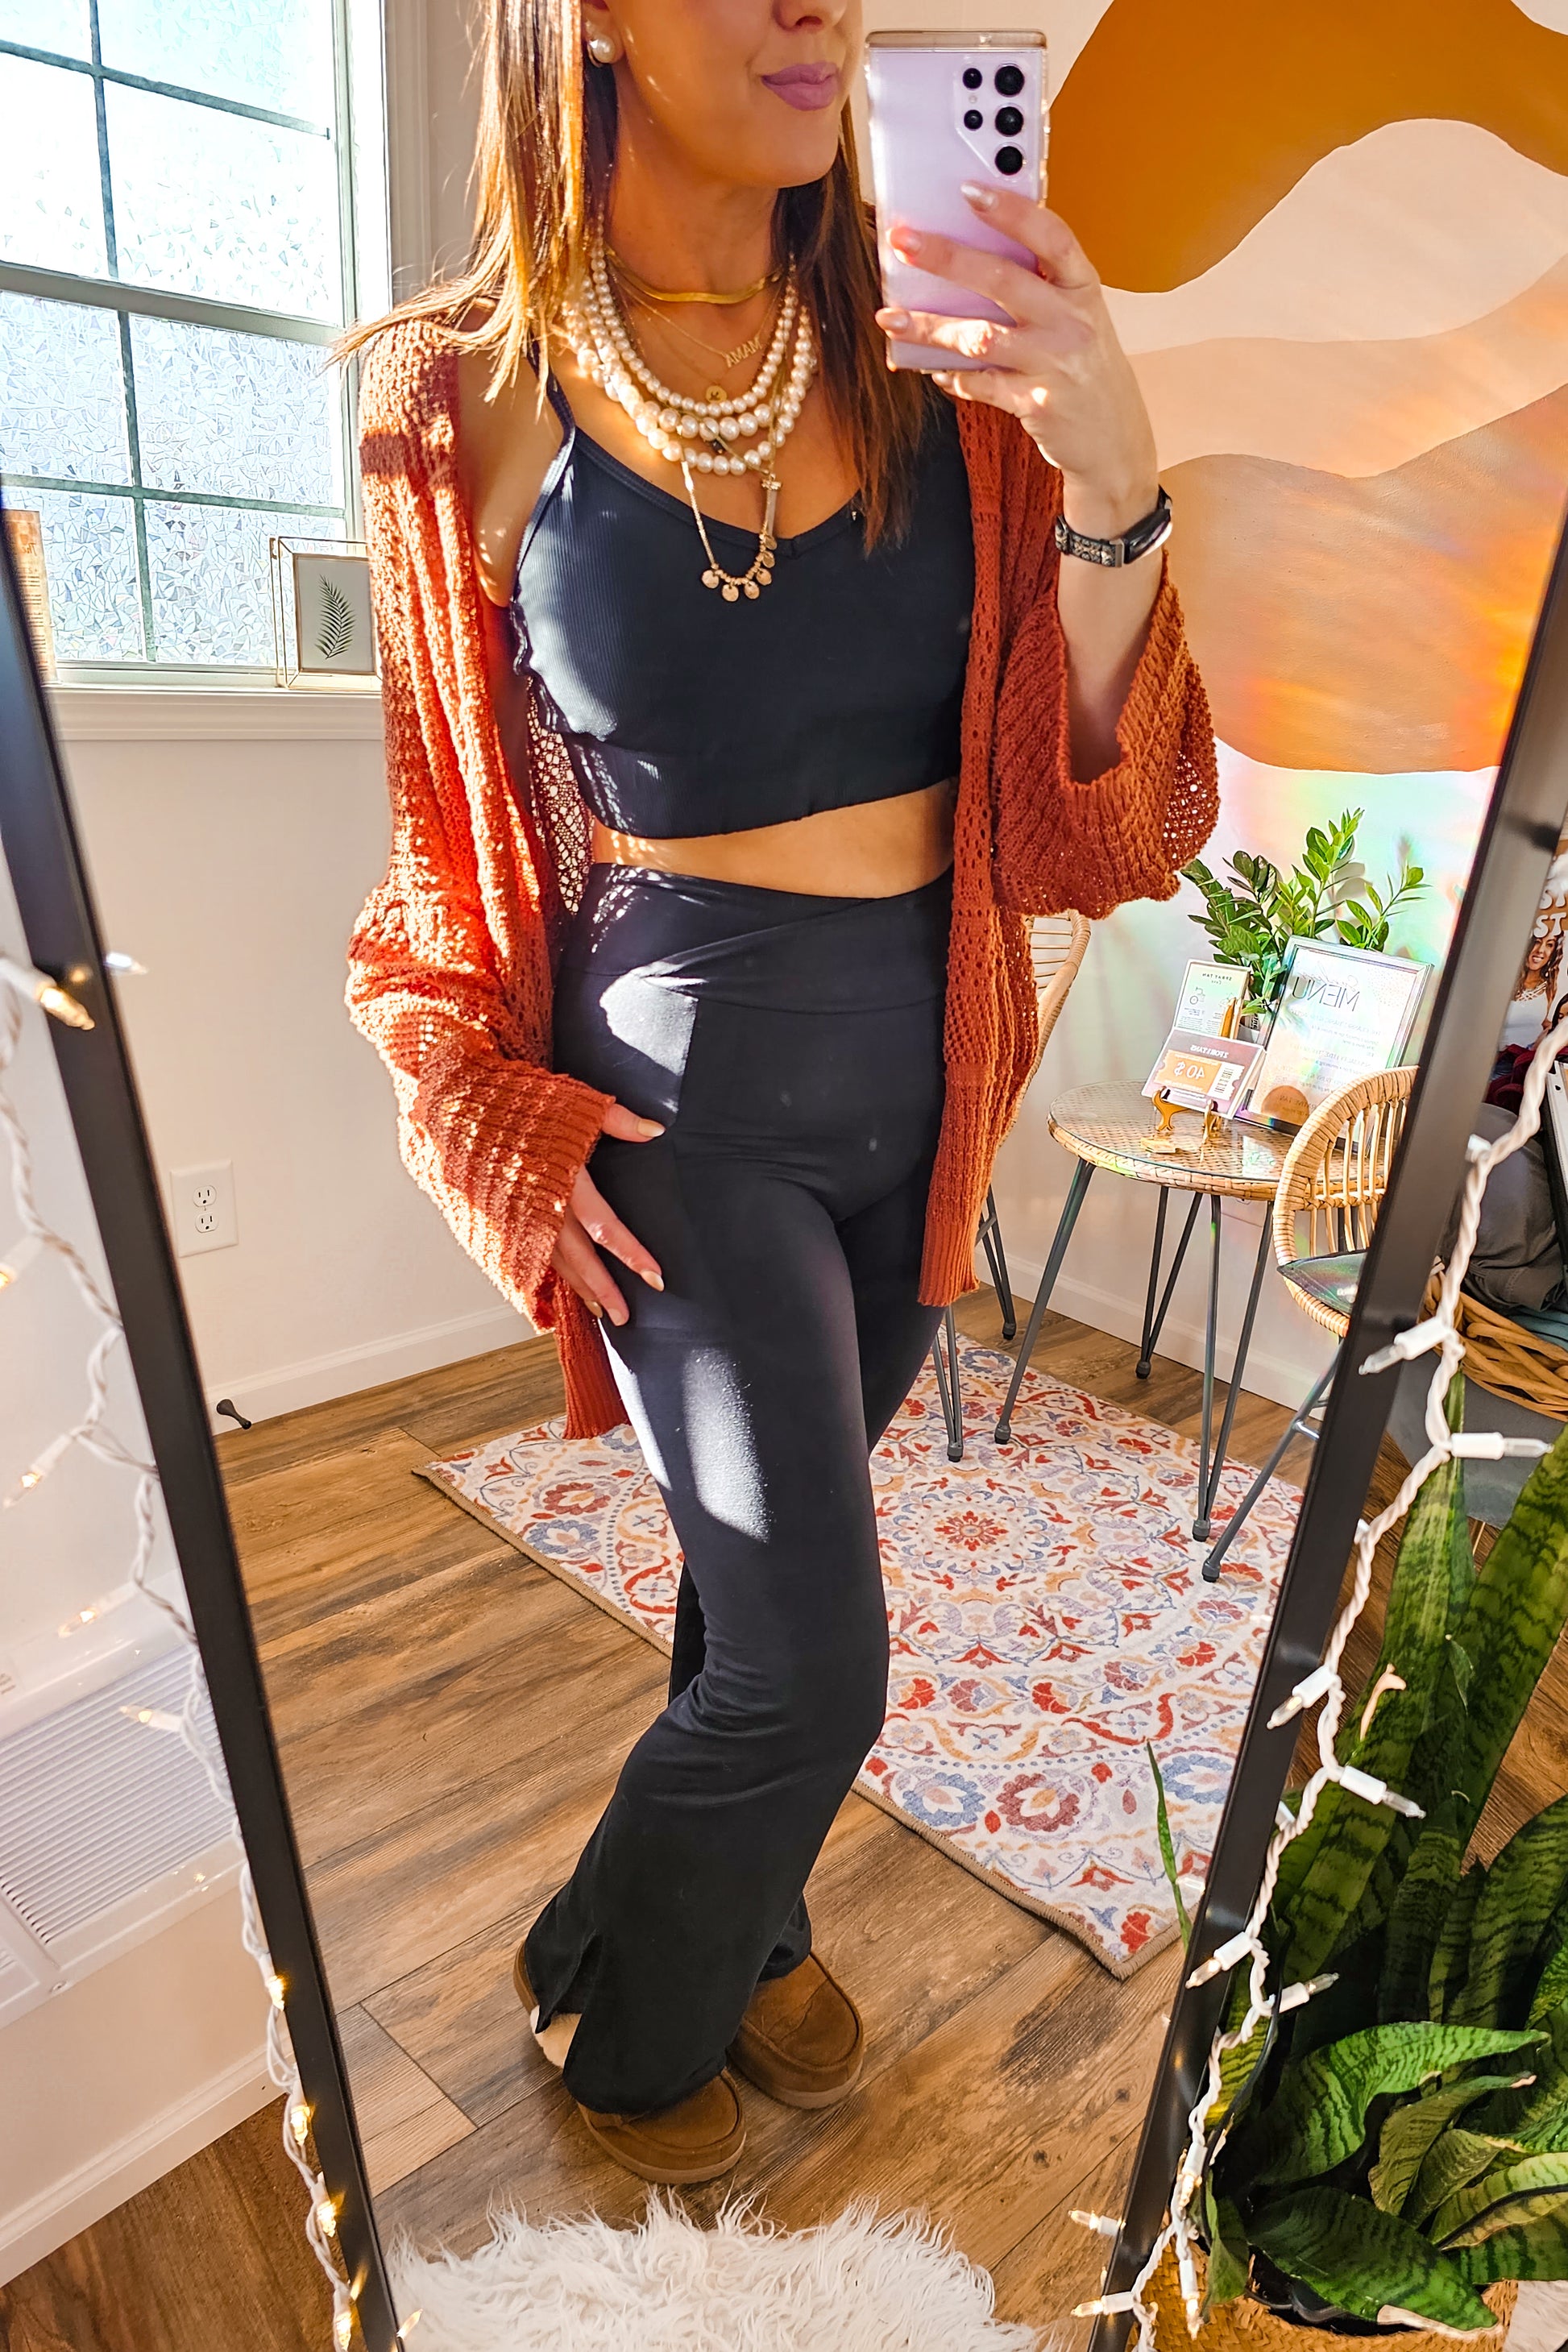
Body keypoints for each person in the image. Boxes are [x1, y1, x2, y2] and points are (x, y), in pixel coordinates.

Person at [344, 0, 1217, 2187]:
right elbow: (437, 868)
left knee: (752, 1603)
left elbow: (1092, 829)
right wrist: (487, 1124)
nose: (820, 8)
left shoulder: (941, 361)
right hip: (681, 1118)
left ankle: (733, 1926)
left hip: (922, 1093)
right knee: (814, 1667)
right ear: (596, 21)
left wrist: (1114, 479)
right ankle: (627, 2033)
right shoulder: (456, 396)